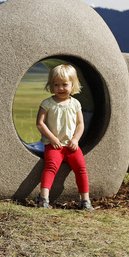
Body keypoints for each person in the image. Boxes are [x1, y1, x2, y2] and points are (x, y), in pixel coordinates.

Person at [35, 64, 94, 210]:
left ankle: (85, 200)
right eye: (56, 85)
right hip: (54, 145)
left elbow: (81, 125)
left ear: (73, 84)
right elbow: (40, 123)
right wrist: (53, 139)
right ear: (51, 85)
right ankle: (43, 199)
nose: (60, 88)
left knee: (81, 168)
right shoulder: (47, 103)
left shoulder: (75, 104)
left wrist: (75, 140)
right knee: (51, 167)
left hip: (71, 146)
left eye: (64, 84)